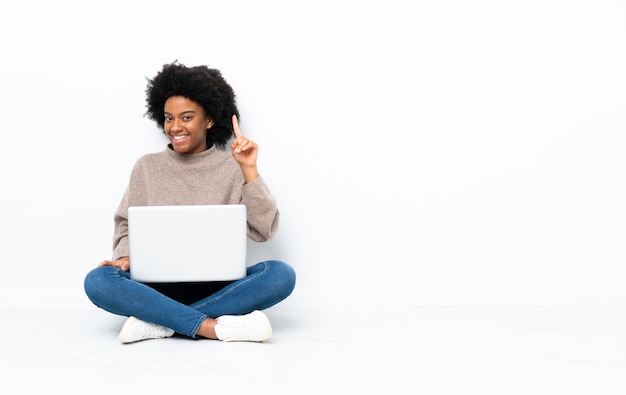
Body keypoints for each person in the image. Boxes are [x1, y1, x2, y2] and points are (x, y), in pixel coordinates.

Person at [84, 61, 296, 344]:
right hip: (156, 287)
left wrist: (249, 169)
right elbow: (125, 223)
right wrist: (123, 258)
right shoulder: (146, 167)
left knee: (281, 275)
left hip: (219, 287)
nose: (174, 127)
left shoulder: (232, 168)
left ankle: (161, 322)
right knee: (97, 280)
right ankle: (211, 326)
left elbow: (264, 229)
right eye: (168, 118)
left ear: (209, 119)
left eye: (186, 117)